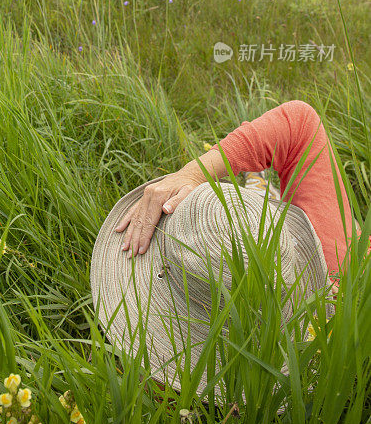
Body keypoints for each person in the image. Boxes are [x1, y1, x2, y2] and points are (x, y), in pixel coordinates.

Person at [90, 100, 366, 393]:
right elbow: (299, 123)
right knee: (252, 218)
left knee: (262, 209)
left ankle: (259, 193)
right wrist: (193, 173)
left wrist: (193, 173)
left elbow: (301, 122)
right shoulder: (339, 253)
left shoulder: (346, 286)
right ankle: (258, 197)